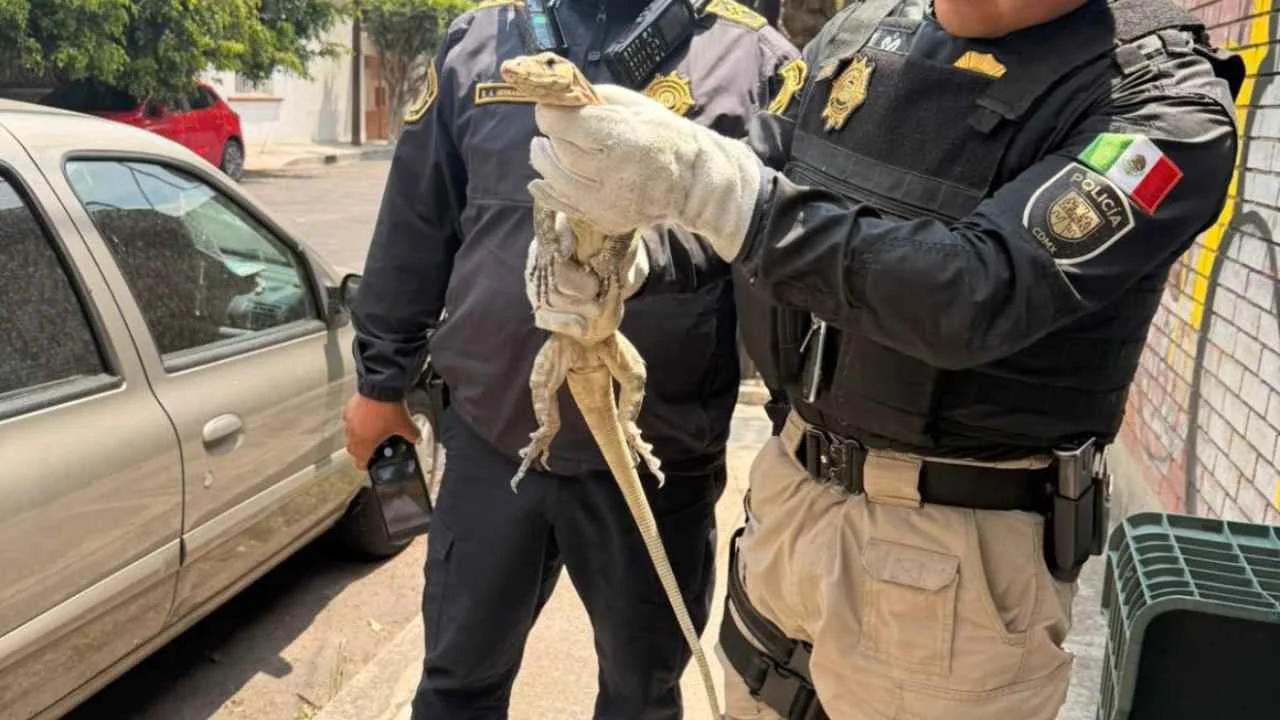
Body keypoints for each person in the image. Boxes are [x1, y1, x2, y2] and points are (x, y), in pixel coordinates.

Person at [520, 0, 1244, 717]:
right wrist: (638, 256)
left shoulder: (1162, 104)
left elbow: (977, 290)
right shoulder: (865, 29)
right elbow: (764, 182)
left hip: (956, 554)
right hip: (790, 496)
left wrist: (709, 189)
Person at [342, 0, 800, 717]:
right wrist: (380, 382)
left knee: (641, 694)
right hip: (494, 441)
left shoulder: (755, 61)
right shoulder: (478, 40)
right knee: (458, 683)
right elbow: (417, 221)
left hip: (658, 456)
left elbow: (786, 266)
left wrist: (793, 429)